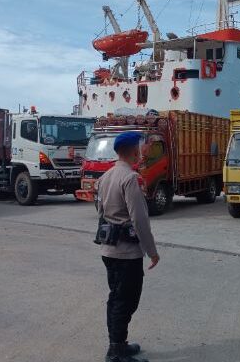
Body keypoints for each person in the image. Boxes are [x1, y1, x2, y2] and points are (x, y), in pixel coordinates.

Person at [97, 131, 159, 362]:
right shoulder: (130, 178)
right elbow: (140, 219)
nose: (143, 151)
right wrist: (152, 252)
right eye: (142, 147)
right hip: (126, 253)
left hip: (109, 249)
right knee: (126, 300)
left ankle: (118, 343)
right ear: (134, 151)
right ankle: (116, 351)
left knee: (116, 297)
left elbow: (101, 212)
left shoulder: (107, 176)